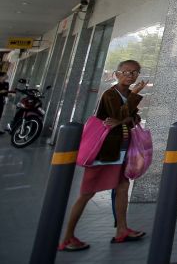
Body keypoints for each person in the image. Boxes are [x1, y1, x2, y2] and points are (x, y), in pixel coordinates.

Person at [59, 59, 147, 252]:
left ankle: (122, 230)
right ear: (117, 74)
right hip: (104, 151)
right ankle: (67, 237)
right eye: (126, 72)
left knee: (123, 187)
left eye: (134, 73)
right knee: (87, 192)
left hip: (120, 149)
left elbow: (132, 118)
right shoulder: (111, 94)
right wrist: (130, 105)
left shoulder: (126, 94)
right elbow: (119, 113)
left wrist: (125, 118)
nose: (130, 75)